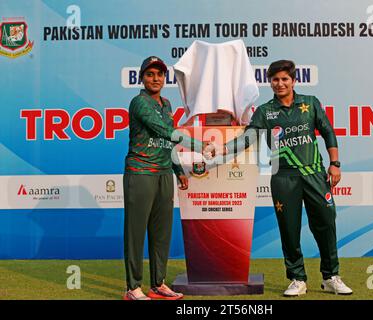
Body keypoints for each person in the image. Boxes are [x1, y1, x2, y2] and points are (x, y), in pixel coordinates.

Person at [204, 60, 353, 296]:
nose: (280, 83)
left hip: (314, 174)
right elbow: (248, 137)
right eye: (275, 79)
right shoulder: (265, 111)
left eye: (285, 79)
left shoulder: (310, 103)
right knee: (289, 229)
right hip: (283, 178)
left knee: (326, 224)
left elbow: (328, 132)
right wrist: (221, 149)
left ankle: (331, 276)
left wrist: (335, 164)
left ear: (294, 81)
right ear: (270, 82)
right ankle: (297, 278)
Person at [123, 56, 204, 300]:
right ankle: (133, 287)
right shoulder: (139, 102)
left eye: (159, 74)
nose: (155, 79)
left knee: (161, 233)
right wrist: (199, 145)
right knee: (136, 232)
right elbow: (164, 131)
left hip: (163, 173)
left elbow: (167, 142)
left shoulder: (166, 104)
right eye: (150, 74)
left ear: (164, 78)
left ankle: (158, 284)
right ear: (142, 78)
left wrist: (178, 170)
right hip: (141, 172)